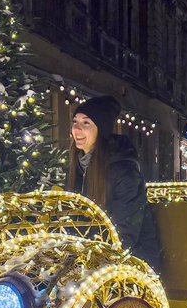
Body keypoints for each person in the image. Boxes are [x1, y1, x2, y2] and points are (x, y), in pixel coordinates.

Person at [68, 96, 162, 271]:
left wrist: (86, 253)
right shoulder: (80, 166)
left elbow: (125, 234)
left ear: (101, 130)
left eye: (86, 123)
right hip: (93, 257)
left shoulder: (124, 172)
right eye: (75, 121)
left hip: (134, 260)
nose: (77, 128)